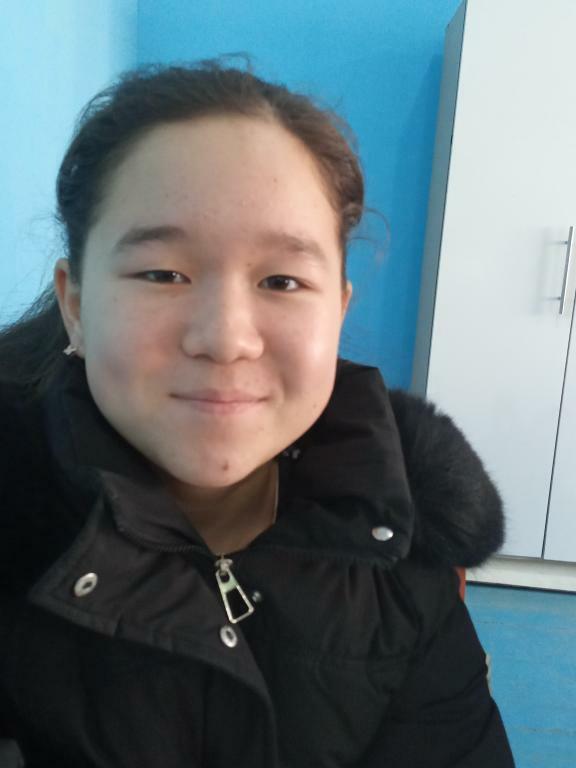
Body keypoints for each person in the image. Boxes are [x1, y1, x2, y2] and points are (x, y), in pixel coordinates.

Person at [0, 58, 515, 767]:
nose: (225, 339)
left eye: (282, 280)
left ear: (338, 312)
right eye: (162, 273)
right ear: (76, 305)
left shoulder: (403, 551)